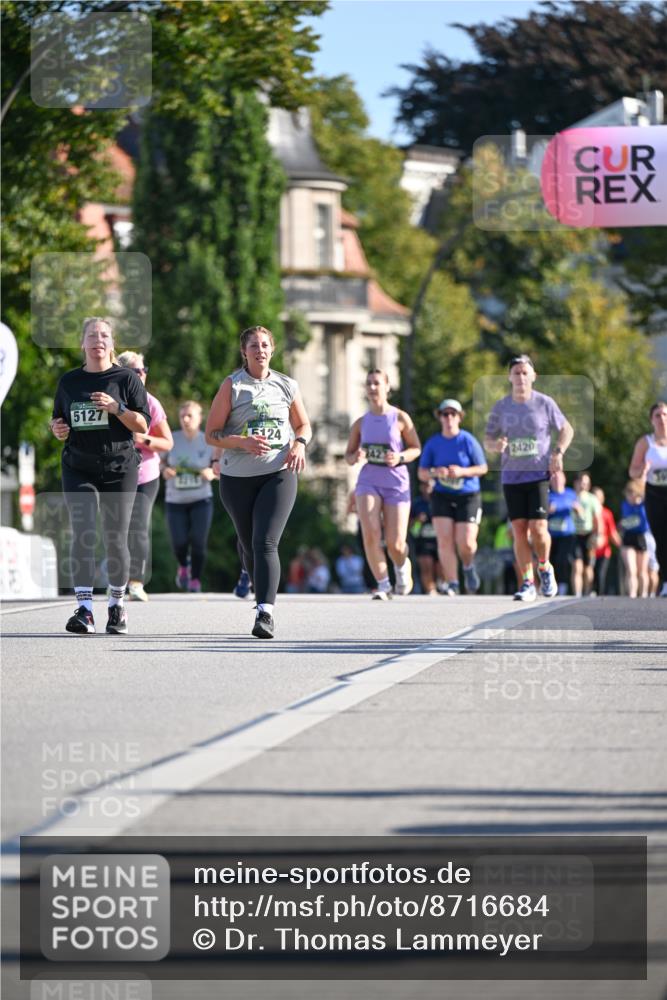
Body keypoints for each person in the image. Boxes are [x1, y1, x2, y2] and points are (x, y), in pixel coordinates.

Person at [205, 325, 311, 638]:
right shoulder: (232, 385)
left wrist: (299, 443)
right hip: (237, 478)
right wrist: (241, 442)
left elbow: (303, 423)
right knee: (250, 545)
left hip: (279, 472)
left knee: (265, 542)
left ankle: (265, 612)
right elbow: (212, 433)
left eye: (265, 345)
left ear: (272, 350)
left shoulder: (286, 384)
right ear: (244, 352)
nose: (260, 350)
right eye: (254, 345)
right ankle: (257, 587)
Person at [50, 317, 149, 634]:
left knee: (115, 537)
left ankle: (117, 606)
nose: (98, 340)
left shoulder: (125, 379)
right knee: (82, 532)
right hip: (78, 466)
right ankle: (84, 609)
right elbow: (59, 422)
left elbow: (143, 426)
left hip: (119, 467)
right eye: (91, 335)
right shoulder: (69, 382)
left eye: (104, 335)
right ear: (82, 343)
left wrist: (116, 408)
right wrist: (58, 429)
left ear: (112, 342)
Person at [484, 354, 574, 602]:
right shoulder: (501, 407)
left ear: (533, 376)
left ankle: (544, 567)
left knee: (539, 528)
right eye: (516, 373)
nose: (521, 377)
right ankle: (527, 582)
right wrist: (496, 444)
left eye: (525, 372)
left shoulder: (545, 403)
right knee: (519, 530)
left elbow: (566, 429)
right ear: (509, 377)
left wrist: (558, 452)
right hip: (512, 477)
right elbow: (488, 440)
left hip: (538, 475)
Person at [345, 369, 421, 600]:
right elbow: (348, 456)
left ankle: (401, 567)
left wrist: (399, 457)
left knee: (395, 544)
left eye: (377, 383)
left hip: (396, 482)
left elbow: (416, 448)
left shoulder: (400, 418)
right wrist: (355, 456)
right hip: (369, 480)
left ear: (387, 387)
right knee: (370, 534)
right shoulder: (361, 423)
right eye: (369, 383)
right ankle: (383, 584)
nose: (372, 387)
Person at [117, 351, 173, 601]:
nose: (142, 374)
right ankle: (117, 580)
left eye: (144, 370)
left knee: (138, 527)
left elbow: (168, 443)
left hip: (145, 475)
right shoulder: (113, 401)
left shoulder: (151, 402)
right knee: (116, 528)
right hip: (115, 473)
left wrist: (143, 439)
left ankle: (136, 582)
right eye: (137, 371)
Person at [418, 398, 487, 595]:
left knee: (465, 542)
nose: (449, 418)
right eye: (445, 414)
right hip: (442, 495)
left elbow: (483, 468)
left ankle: (468, 565)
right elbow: (422, 473)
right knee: (445, 541)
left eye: (453, 414)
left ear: (459, 418)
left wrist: (462, 472)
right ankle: (453, 582)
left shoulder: (468, 440)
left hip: (468, 495)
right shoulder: (433, 443)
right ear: (440, 417)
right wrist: (435, 472)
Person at [163, 401, 216, 594]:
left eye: (190, 416)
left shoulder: (208, 441)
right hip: (175, 500)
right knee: (179, 542)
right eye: (182, 416)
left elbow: (221, 467)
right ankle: (183, 567)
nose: (185, 420)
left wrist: (212, 472)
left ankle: (195, 580)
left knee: (199, 542)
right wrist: (165, 470)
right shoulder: (172, 439)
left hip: (201, 499)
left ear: (200, 418)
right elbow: (160, 462)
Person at [629, 401, 667, 597]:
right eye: (658, 415)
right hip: (654, 494)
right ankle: (666, 580)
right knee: (661, 537)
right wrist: (642, 470)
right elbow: (632, 471)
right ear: (651, 420)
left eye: (665, 414)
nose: (662, 419)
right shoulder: (646, 442)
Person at [571, 472, 603, 597]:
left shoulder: (592, 499)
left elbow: (597, 519)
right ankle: (577, 594)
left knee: (588, 566)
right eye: (581, 483)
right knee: (577, 566)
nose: (583, 485)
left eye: (586, 483)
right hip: (574, 535)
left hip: (589, 535)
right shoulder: (570, 497)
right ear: (576, 483)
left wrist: (598, 535)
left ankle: (587, 592)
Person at [547, 471, 579, 596]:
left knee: (564, 560)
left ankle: (563, 586)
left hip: (567, 535)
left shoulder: (571, 494)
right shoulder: (547, 495)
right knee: (552, 560)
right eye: (554, 479)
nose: (556, 481)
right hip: (551, 535)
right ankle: (550, 585)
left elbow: (579, 511)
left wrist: (577, 509)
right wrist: (549, 511)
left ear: (564, 480)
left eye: (559, 478)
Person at [409, 481, 441, 595]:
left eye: (430, 485)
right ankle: (430, 590)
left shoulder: (440, 501)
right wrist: (418, 520)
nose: (428, 488)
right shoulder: (416, 503)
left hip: (439, 540)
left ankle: (442, 586)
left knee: (440, 566)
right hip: (422, 540)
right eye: (425, 485)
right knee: (426, 566)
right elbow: (408, 524)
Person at [620, 480, 650, 598]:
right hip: (628, 538)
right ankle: (632, 595)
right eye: (628, 492)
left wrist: (640, 501)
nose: (630, 495)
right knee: (631, 569)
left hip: (641, 537)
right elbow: (625, 521)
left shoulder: (644, 505)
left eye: (632, 492)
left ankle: (644, 594)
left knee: (642, 571)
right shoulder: (625, 504)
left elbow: (644, 521)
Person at [592, 486, 622, 596]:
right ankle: (587, 592)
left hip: (604, 551)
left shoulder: (607, 513)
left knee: (600, 573)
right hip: (590, 549)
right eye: (594, 496)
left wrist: (621, 545)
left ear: (602, 499)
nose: (597, 499)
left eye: (599, 497)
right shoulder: (587, 512)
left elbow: (612, 533)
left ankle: (599, 595)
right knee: (591, 573)